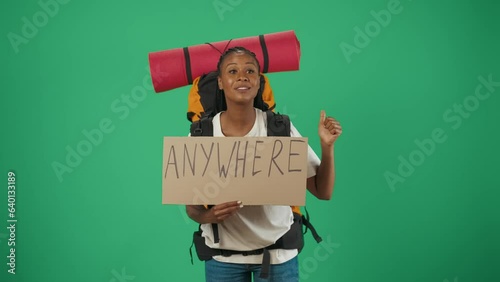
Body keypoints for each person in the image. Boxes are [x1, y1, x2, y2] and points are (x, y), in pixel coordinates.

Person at [186, 46, 342, 282]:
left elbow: (323, 191)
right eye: (232, 71)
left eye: (250, 71)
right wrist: (209, 217)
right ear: (220, 82)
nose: (242, 76)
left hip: (277, 255)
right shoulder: (202, 134)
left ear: (259, 82)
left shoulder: (279, 129)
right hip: (223, 259)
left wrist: (327, 147)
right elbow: (192, 207)